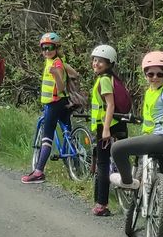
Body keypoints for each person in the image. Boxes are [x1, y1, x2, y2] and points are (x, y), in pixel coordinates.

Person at [110, 50, 163, 237]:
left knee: (118, 148)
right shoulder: (151, 92)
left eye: (159, 74)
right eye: (150, 74)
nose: (154, 78)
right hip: (156, 139)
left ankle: (129, 182)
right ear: (145, 74)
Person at [21, 33, 78, 184]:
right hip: (63, 101)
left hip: (54, 103)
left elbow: (59, 87)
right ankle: (75, 166)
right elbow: (75, 74)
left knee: (47, 137)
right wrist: (68, 74)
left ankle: (39, 171)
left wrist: (58, 75)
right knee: (68, 132)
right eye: (44, 48)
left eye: (50, 48)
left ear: (57, 47)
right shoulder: (58, 61)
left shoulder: (55, 64)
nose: (46, 51)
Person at [86, 44, 127, 216]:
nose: (96, 63)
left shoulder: (104, 80)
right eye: (95, 60)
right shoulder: (111, 79)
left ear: (110, 63)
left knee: (102, 164)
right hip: (117, 124)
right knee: (120, 161)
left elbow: (110, 105)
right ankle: (126, 196)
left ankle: (101, 204)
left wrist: (105, 130)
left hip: (108, 125)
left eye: (101, 61)